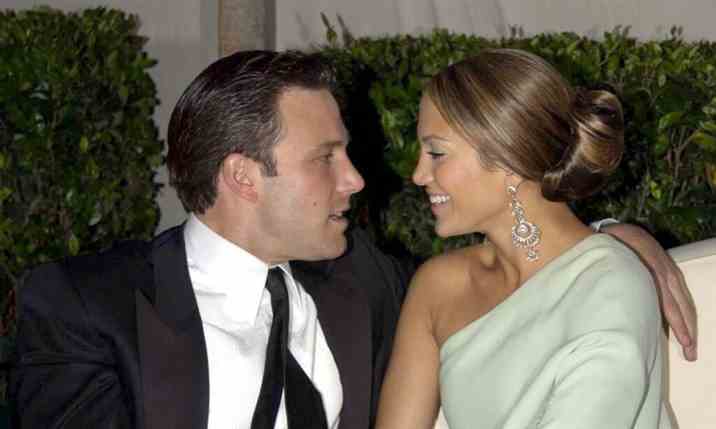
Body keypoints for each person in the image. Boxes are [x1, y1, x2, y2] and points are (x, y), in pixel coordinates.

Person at [10, 50, 694, 429]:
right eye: (326, 157)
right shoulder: (86, 307)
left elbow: (537, 282)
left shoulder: (366, 281)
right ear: (244, 177)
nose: (360, 179)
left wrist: (612, 237)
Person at [376, 49, 677, 429]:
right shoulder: (438, 285)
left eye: (436, 153)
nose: (419, 175)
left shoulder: (612, 286)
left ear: (508, 161)